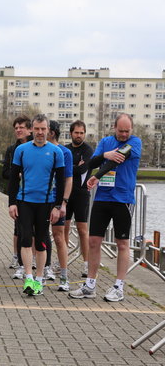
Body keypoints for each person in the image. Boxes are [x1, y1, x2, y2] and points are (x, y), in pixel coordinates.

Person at [69, 113, 141, 302]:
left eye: (127, 130)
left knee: (122, 243)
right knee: (93, 241)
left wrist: (96, 175)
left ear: (131, 129)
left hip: (122, 198)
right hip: (102, 198)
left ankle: (118, 286)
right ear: (114, 128)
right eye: (120, 130)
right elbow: (91, 162)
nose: (124, 134)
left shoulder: (135, 142)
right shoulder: (105, 142)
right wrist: (104, 155)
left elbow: (115, 160)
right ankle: (90, 285)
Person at [8, 114, 65, 296]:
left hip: (45, 203)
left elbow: (62, 181)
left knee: (41, 242)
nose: (40, 132)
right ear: (32, 129)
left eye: (43, 129)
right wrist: (11, 203)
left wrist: (58, 206)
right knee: (25, 239)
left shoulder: (57, 152)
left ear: (49, 130)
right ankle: (29, 277)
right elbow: (13, 180)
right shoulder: (22, 150)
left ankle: (40, 279)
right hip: (24, 201)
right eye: (37, 129)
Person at [2, 115, 33, 276]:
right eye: (16, 128)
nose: (18, 130)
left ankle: (39, 263)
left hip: (38, 195)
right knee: (20, 229)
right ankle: (20, 261)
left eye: (21, 127)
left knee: (38, 231)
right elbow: (6, 173)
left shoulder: (39, 146)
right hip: (19, 195)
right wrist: (19, 174)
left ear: (30, 129)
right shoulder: (12, 150)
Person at [45, 120, 73, 291]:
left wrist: (63, 202)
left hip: (56, 201)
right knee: (38, 236)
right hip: (40, 200)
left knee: (58, 237)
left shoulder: (65, 152)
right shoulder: (37, 149)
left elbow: (68, 178)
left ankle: (64, 276)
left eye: (45, 129)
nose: (40, 133)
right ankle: (43, 271)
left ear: (52, 132)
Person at [64, 120, 94, 278]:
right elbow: (63, 169)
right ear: (71, 133)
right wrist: (76, 166)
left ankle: (86, 264)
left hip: (82, 193)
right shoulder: (66, 149)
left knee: (83, 230)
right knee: (64, 228)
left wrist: (74, 167)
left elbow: (84, 168)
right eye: (76, 132)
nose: (79, 135)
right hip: (66, 194)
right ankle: (63, 261)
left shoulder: (88, 150)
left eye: (82, 133)